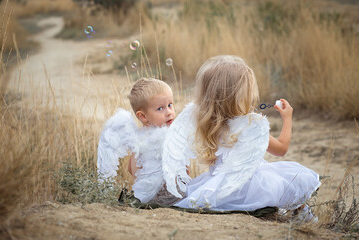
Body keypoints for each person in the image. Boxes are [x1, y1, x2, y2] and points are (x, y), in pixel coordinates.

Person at [162, 55, 321, 221]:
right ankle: (302, 215)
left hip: (219, 183)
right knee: (287, 180)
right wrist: (287, 119)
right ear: (240, 95)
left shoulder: (205, 120)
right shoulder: (251, 124)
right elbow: (281, 149)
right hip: (251, 185)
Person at [97, 77, 182, 205]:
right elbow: (184, 171)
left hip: (143, 197)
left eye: (170, 105)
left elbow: (131, 169)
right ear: (142, 116)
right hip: (168, 197)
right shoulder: (168, 139)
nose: (169, 112)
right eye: (160, 108)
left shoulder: (138, 139)